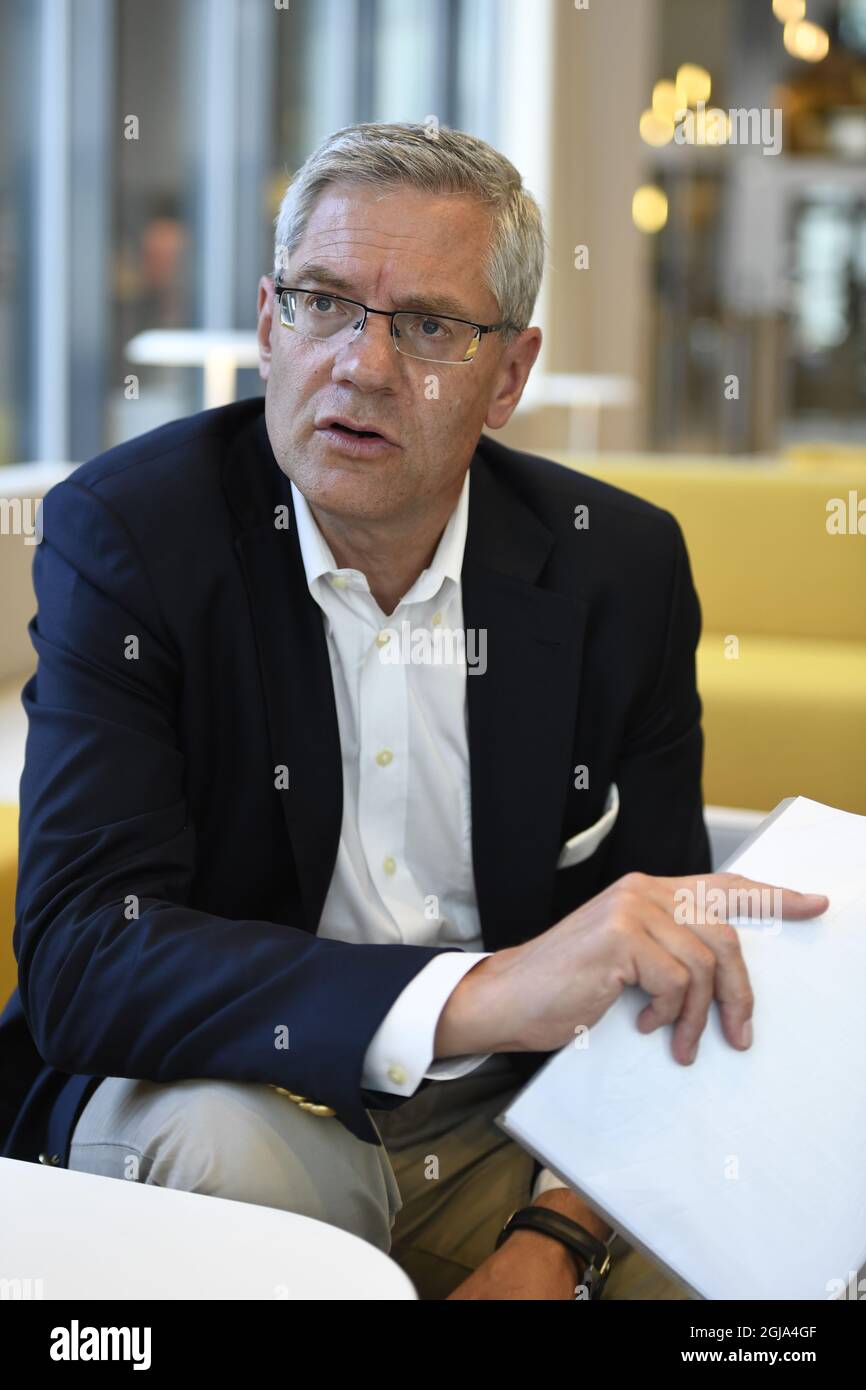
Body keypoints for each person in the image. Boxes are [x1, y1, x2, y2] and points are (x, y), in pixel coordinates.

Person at [0, 122, 827, 1300]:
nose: (362, 365)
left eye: (430, 327)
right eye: (323, 302)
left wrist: (561, 1236)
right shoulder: (132, 536)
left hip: (517, 1125)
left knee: (764, 1255)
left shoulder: (617, 569)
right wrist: (482, 992)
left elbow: (658, 967)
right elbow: (88, 952)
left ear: (510, 375)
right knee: (229, 1165)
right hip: (242, 1093)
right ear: (265, 322)